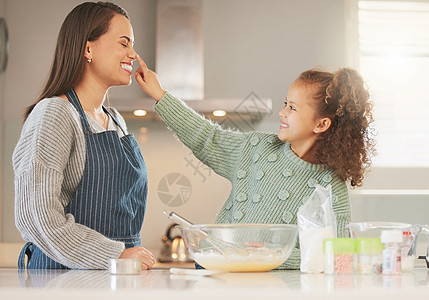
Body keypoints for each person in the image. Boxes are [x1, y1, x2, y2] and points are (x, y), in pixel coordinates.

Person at [134, 56, 375, 269]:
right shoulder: (257, 149)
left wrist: (271, 256)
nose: (282, 113)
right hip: (215, 269)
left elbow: (339, 257)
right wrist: (160, 94)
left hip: (274, 288)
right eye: (285, 104)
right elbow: (206, 138)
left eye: (292, 108)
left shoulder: (331, 187)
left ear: (321, 124)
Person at [13, 2, 156, 269]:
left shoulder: (115, 121)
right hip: (63, 279)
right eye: (124, 43)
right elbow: (36, 215)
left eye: (132, 45)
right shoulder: (55, 113)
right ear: (87, 48)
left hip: (115, 276)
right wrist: (114, 256)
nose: (133, 54)